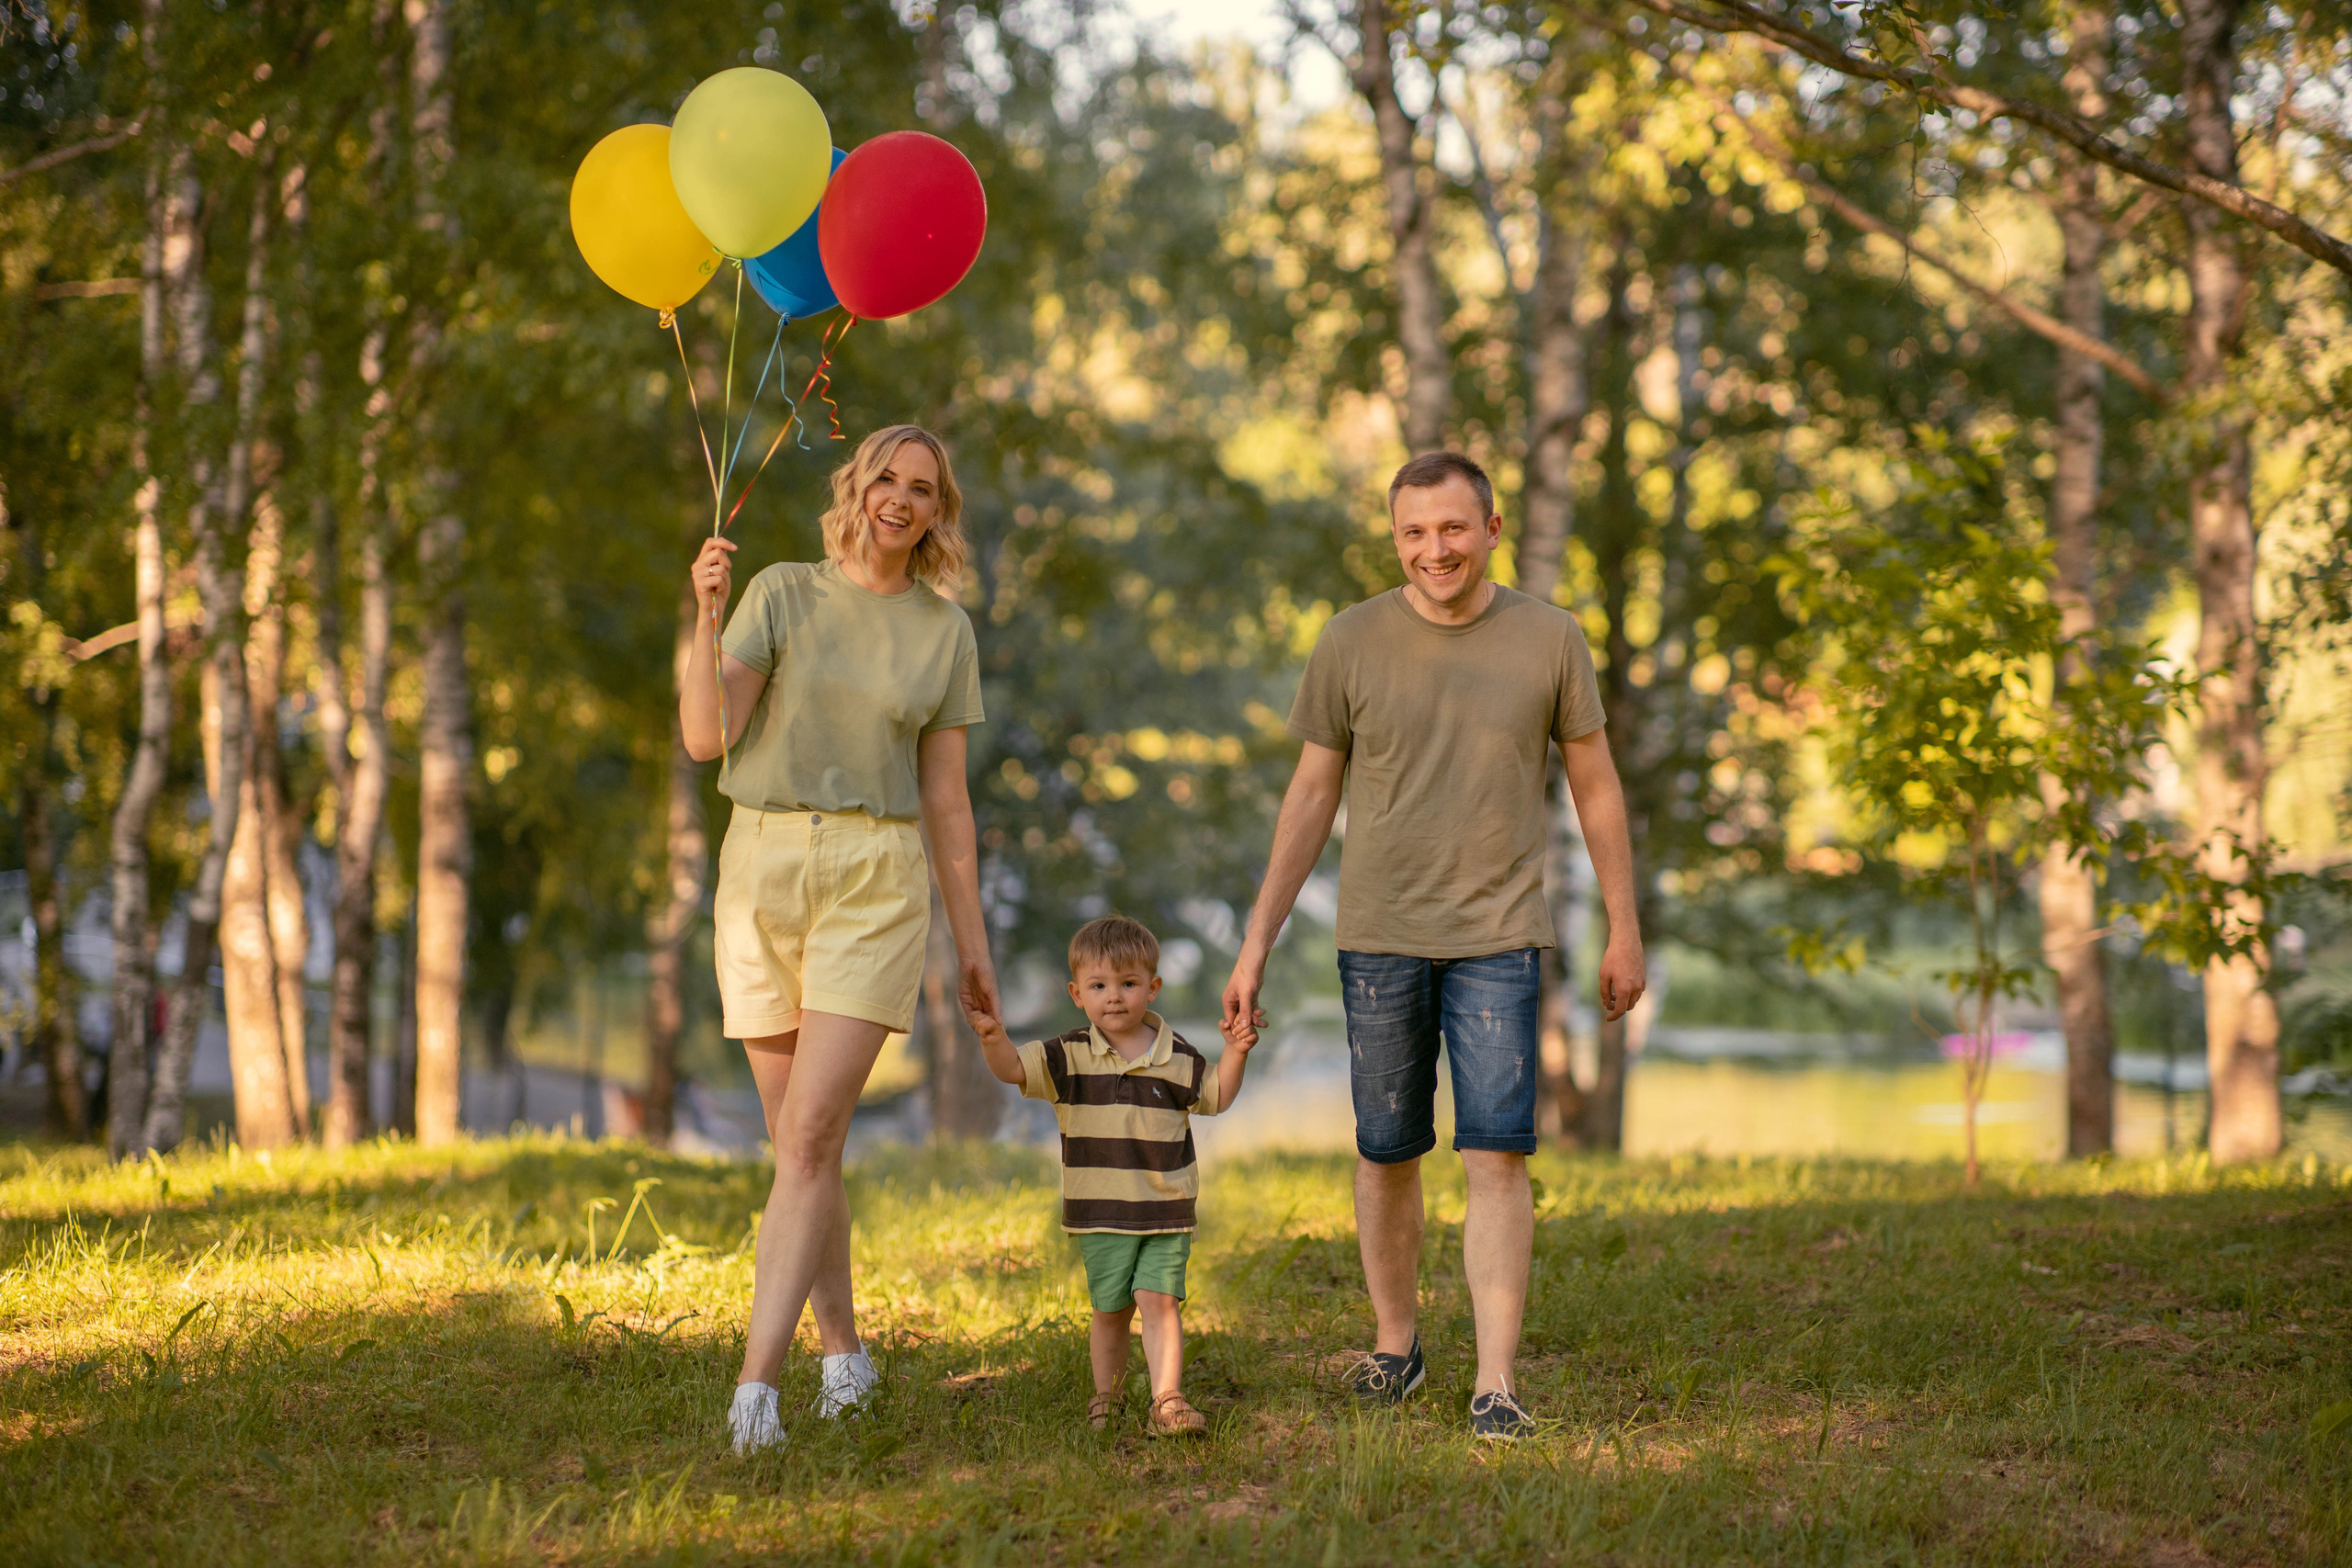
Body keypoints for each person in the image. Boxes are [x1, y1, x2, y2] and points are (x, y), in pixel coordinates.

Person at [1218, 451, 1646, 1443]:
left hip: (1499, 936)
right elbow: (1310, 796)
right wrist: (1254, 943)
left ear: (1491, 528)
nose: (1433, 549)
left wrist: (1625, 928)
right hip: (1380, 935)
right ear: (1395, 538)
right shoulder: (1350, 640)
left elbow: (1598, 789)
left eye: (1452, 529)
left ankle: (1495, 1381)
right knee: (1386, 1152)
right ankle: (1395, 1347)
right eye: (1413, 532)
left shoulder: (1550, 638)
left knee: (1495, 1154)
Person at [681, 423, 1000, 1454]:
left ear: (938, 512)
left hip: (876, 877)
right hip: (762, 868)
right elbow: (702, 738)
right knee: (797, 1154)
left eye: (923, 489)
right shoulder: (777, 591)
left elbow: (947, 804)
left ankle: (755, 1394)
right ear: (857, 488)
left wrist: (974, 942)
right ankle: (845, 1351)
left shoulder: (944, 633)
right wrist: (705, 620)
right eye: (886, 481)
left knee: (812, 1139)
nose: (900, 500)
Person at [964, 915, 1251, 1438]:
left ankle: (1167, 1400)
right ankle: (1106, 1399)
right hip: (1100, 1213)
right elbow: (1012, 1069)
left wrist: (1236, 1050)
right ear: (1077, 993)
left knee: (1159, 1301)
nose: (1113, 997)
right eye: (1099, 986)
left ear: (1153, 987)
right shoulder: (1067, 1055)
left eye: (1128, 983)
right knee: (1111, 1310)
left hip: (1166, 1208)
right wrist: (992, 1037)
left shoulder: (1178, 1054)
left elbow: (1217, 1097)